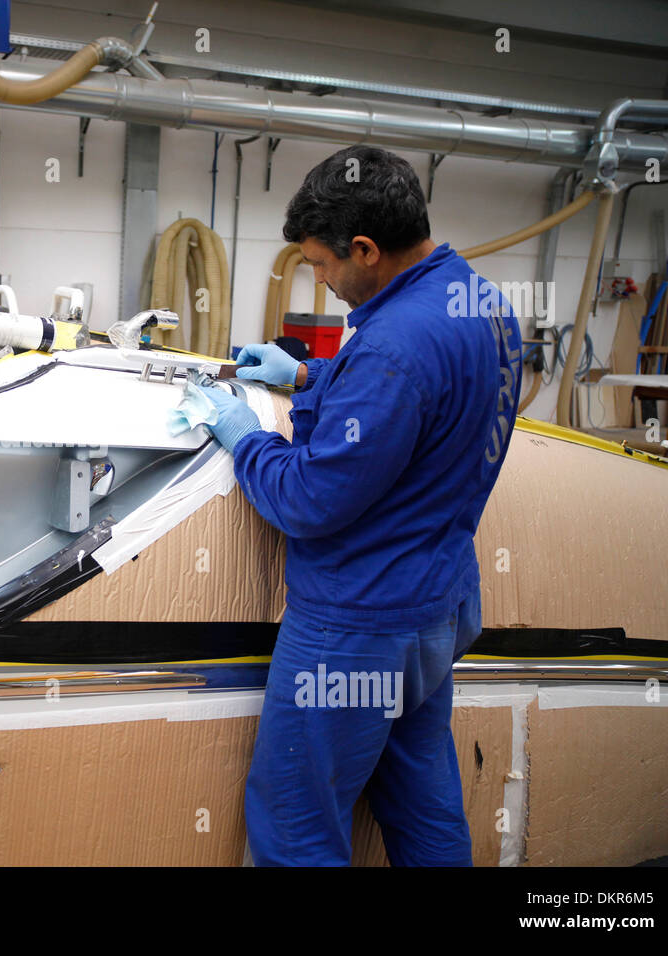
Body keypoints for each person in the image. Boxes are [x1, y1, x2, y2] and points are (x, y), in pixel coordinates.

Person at [201, 145, 522, 866]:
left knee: (296, 824)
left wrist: (245, 438)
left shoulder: (392, 346)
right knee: (424, 806)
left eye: (320, 264)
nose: (321, 280)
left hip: (354, 627)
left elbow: (311, 498)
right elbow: (426, 415)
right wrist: (316, 375)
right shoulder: (485, 305)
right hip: (436, 610)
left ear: (367, 250)